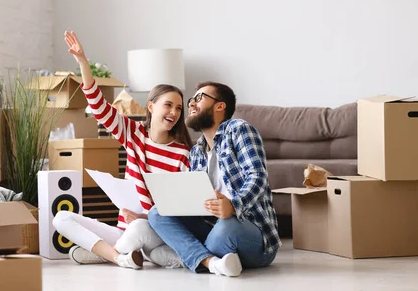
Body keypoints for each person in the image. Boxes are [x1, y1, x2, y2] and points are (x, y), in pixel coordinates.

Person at [53, 31, 193, 270]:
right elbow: (98, 105)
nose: (174, 112)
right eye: (168, 105)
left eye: (179, 108)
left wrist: (142, 217)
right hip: (123, 230)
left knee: (138, 228)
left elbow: (180, 211)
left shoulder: (182, 154)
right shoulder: (133, 133)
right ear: (151, 106)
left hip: (151, 229)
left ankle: (106, 254)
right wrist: (83, 62)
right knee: (61, 218)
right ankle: (121, 257)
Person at [148, 82, 281, 277]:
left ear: (220, 106)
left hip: (250, 233)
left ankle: (190, 255)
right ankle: (210, 261)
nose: (191, 104)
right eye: (192, 100)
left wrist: (233, 206)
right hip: (213, 226)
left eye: (199, 98)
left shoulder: (239, 129)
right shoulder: (196, 152)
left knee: (225, 228)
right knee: (157, 212)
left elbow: (257, 177)